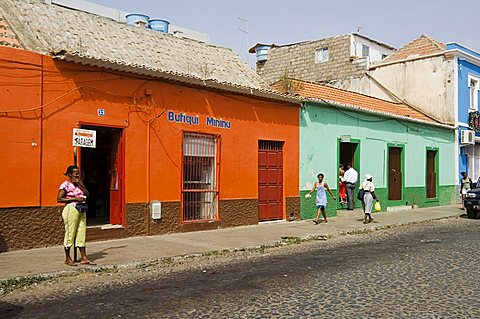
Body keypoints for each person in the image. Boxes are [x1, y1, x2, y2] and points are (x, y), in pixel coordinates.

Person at [57, 165, 96, 266]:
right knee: (70, 233)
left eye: (79, 173)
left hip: (81, 209)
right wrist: (75, 199)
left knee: (81, 232)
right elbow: (59, 199)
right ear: (70, 174)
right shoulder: (65, 185)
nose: (78, 175)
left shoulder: (79, 185)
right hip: (71, 209)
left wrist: (82, 185)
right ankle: (68, 258)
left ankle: (84, 257)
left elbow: (87, 195)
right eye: (76, 173)